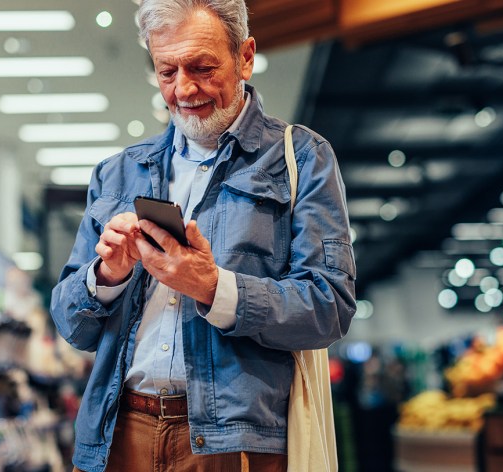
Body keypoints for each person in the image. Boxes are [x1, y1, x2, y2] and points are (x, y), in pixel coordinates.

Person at [49, 0, 357, 470]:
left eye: (202, 67)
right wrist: (107, 275)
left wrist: (213, 287)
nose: (184, 89)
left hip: (232, 442)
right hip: (117, 434)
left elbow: (329, 306)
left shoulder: (302, 158)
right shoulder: (119, 172)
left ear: (246, 57)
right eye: (166, 71)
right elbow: (72, 324)